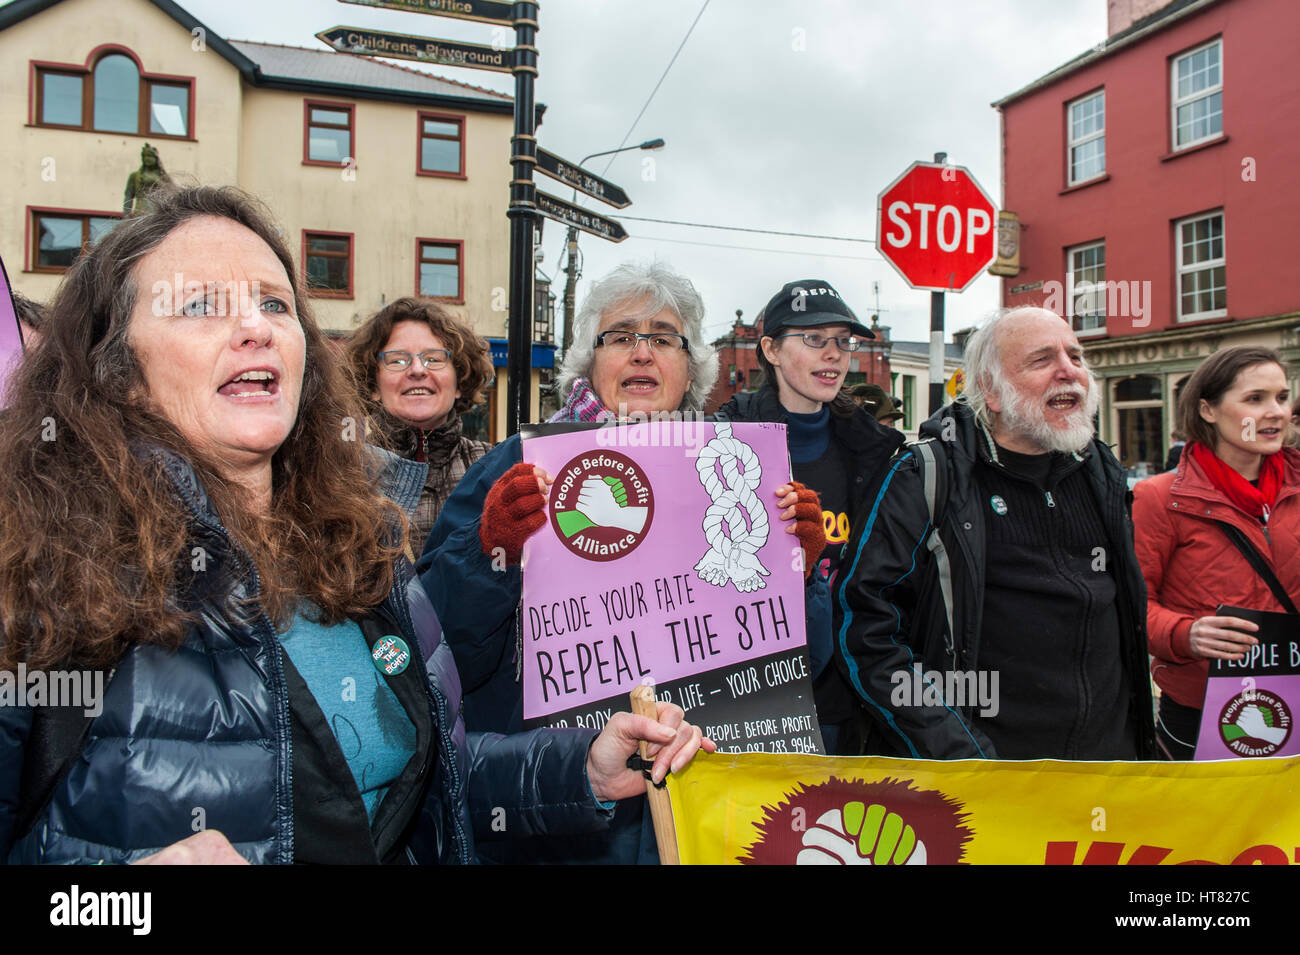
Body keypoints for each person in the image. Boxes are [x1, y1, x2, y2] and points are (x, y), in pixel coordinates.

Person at [0, 186, 710, 865]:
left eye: (275, 303)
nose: (254, 326)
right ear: (119, 369)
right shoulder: (34, 571)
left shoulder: (362, 549)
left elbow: (439, 779)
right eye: (199, 306)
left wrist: (580, 767)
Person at [417, 261, 827, 862]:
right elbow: (438, 649)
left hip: (700, 812)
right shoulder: (518, 467)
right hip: (560, 823)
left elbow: (806, 665)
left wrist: (802, 573)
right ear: (589, 359)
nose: (641, 353)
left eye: (663, 338)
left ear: (691, 367)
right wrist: (489, 554)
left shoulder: (739, 473)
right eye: (619, 336)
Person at [835, 306, 1158, 760]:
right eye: (1042, 360)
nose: (1069, 371)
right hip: (987, 782)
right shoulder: (926, 477)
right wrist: (958, 752)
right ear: (991, 391)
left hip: (1107, 774)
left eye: (1077, 356)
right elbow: (866, 631)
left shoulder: (1101, 470)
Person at [716, 280, 904, 753]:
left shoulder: (876, 453)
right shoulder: (721, 447)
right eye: (814, 339)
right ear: (771, 350)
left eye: (843, 341)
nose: (835, 355)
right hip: (749, 706)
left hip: (849, 705)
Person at [1133, 347, 1299, 760]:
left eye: (1281, 397)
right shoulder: (1158, 498)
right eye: (1255, 399)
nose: (1276, 411)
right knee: (1207, 825)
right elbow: (1131, 604)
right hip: (1204, 706)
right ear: (1208, 409)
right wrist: (1185, 633)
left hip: (1294, 692)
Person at [344, 298, 493, 549]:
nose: (417, 370)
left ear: (460, 382)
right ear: (373, 386)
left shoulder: (492, 469)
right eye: (397, 360)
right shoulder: (342, 475)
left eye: (434, 359)